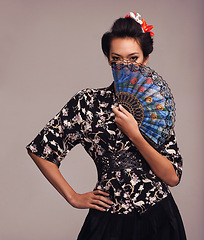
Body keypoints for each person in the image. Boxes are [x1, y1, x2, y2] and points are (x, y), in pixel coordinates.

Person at [26, 12, 187, 240]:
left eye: (133, 59)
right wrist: (73, 197)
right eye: (116, 59)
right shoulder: (88, 103)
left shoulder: (156, 104)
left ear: (146, 59)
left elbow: (172, 177)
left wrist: (135, 135)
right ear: (108, 59)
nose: (125, 66)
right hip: (108, 220)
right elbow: (41, 150)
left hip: (158, 218)